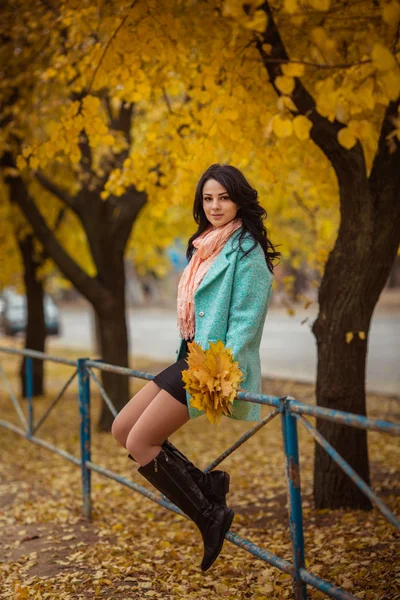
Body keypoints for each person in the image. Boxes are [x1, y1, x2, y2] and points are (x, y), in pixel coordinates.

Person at [111, 163, 280, 571]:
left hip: (214, 364)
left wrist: (218, 376)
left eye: (223, 197)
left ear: (238, 199)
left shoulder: (247, 250)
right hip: (188, 355)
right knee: (121, 429)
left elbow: (246, 321)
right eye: (208, 198)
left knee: (140, 443)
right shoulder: (204, 243)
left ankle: (209, 515)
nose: (215, 205)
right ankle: (207, 485)